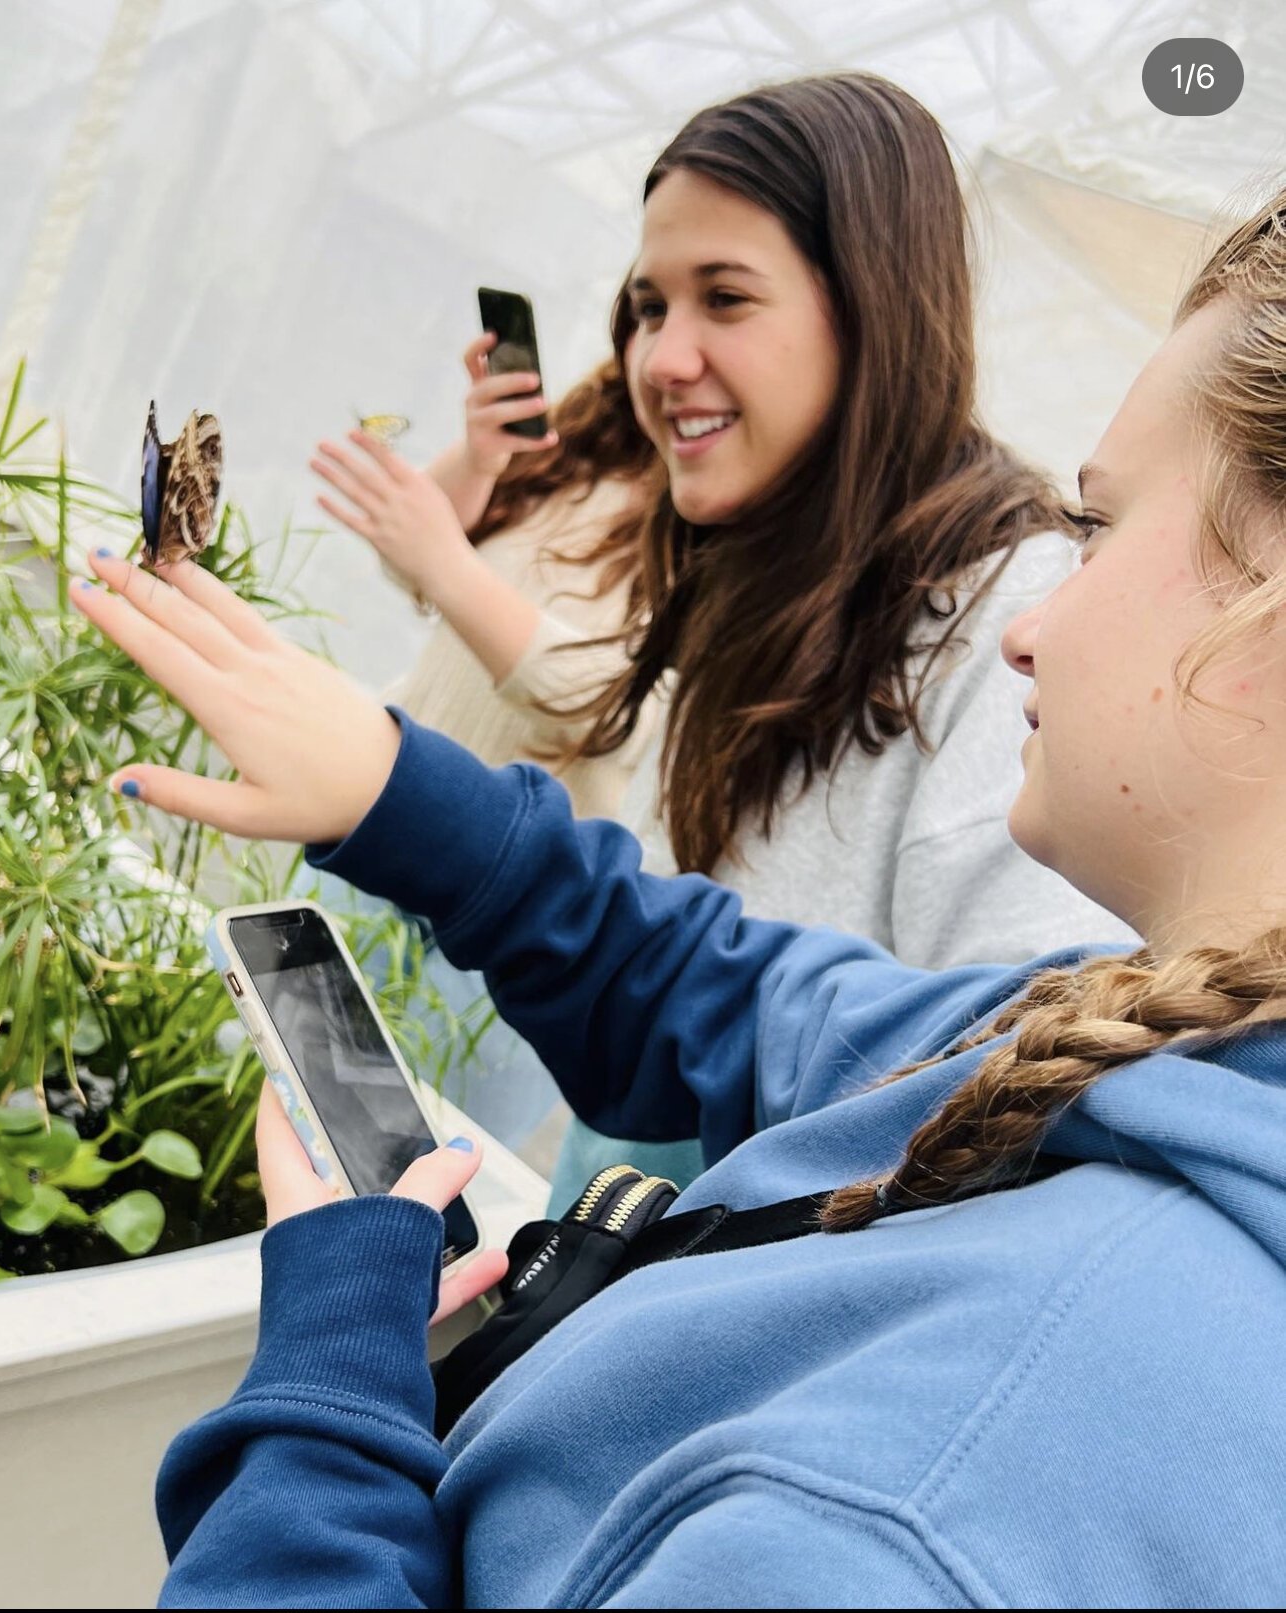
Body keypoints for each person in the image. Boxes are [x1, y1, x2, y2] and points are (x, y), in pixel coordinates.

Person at [78, 179, 1286, 1606]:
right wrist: (393, 796)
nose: (1039, 621)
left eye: (1096, 526)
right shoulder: (1161, 1051)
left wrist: (328, 1386)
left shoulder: (926, 1500)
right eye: (644, 306)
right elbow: (759, 999)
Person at [546, 73, 1137, 1202]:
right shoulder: (758, 564)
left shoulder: (1000, 618)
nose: (662, 360)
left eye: (726, 297)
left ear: (871, 305)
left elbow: (1018, 1081)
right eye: (649, 305)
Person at [307, 342, 660, 1156]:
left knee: (391, 1182)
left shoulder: (745, 524)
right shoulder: (587, 445)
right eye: (652, 305)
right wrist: (478, 456)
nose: (673, 353)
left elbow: (617, 708)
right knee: (236, 1121)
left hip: (492, 939)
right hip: (375, 833)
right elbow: (416, 567)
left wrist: (447, 562)